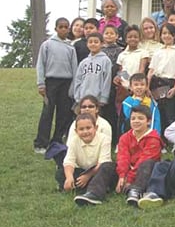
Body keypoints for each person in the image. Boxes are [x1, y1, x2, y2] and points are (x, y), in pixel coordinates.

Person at [34, 17, 78, 153]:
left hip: (66, 82)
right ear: (56, 28)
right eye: (61, 27)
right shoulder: (47, 44)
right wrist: (41, 83)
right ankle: (41, 143)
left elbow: (75, 68)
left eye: (66, 27)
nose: (64, 29)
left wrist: (73, 86)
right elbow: (40, 64)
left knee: (63, 112)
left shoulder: (71, 47)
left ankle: (57, 140)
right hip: (51, 82)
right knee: (47, 112)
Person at [56, 113, 117, 206]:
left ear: (95, 128)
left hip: (98, 170)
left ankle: (94, 194)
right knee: (61, 173)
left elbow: (103, 161)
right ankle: (95, 188)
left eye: (88, 128)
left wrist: (87, 176)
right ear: (76, 131)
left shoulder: (104, 139)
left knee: (108, 166)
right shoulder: (74, 140)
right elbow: (69, 161)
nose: (85, 132)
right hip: (83, 171)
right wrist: (69, 177)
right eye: (81, 129)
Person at [116, 106, 163, 206]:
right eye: (133, 118)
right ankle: (94, 192)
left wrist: (129, 179)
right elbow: (123, 157)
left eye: (140, 118)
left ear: (149, 122)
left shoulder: (153, 139)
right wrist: (122, 176)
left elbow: (144, 159)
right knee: (108, 166)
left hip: (146, 171)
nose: (136, 121)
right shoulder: (125, 137)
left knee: (146, 164)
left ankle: (135, 191)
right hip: (128, 171)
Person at [147, 23, 175, 131]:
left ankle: (173, 138)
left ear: (174, 36)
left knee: (171, 112)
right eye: (164, 33)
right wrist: (147, 86)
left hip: (170, 83)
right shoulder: (158, 52)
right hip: (156, 84)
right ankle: (160, 138)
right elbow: (151, 70)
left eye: (170, 33)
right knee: (158, 111)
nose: (167, 36)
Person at [73, 32, 112, 106]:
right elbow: (78, 80)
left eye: (96, 42)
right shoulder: (83, 62)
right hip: (83, 97)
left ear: (102, 44)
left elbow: (107, 80)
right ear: (87, 44)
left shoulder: (106, 60)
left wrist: (103, 98)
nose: (93, 44)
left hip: (97, 98)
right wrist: (77, 97)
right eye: (90, 42)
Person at [101, 24, 123, 146]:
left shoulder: (121, 51)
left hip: (114, 84)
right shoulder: (100, 51)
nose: (109, 35)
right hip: (102, 84)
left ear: (117, 36)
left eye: (112, 33)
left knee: (113, 112)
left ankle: (115, 139)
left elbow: (123, 68)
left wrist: (119, 76)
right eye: (106, 33)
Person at [114, 25, 150, 91]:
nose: (133, 39)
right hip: (123, 87)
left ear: (139, 39)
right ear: (126, 39)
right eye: (130, 37)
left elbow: (141, 70)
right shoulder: (122, 55)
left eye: (135, 37)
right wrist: (118, 77)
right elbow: (122, 71)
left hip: (137, 88)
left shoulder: (143, 53)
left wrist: (135, 85)